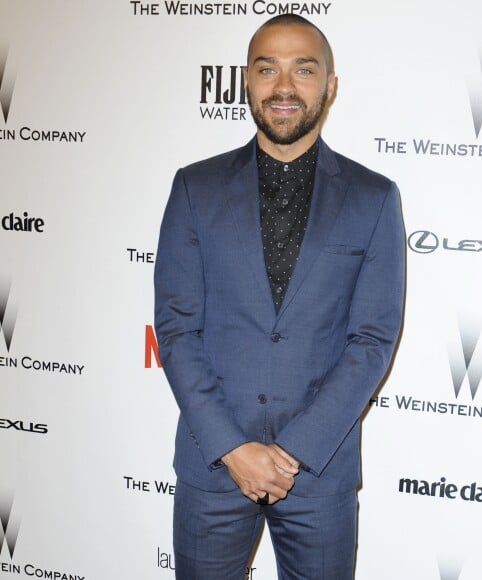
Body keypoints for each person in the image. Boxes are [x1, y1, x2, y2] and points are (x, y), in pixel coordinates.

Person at [154, 14, 405, 580]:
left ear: (330, 85)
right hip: (213, 464)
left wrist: (294, 451)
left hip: (319, 471)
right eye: (267, 69)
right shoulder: (195, 188)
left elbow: (372, 339)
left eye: (304, 70)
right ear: (246, 80)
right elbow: (176, 328)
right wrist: (233, 448)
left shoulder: (374, 198)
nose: (284, 87)